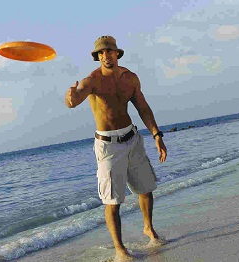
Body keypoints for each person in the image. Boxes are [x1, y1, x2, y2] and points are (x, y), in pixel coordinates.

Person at [65, 36, 167, 261]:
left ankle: (148, 228)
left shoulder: (130, 78)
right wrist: (70, 98)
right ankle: (120, 249)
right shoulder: (92, 79)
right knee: (113, 201)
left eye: (109, 51)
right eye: (100, 53)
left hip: (132, 138)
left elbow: (143, 107)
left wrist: (156, 135)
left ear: (117, 53)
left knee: (146, 189)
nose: (105, 56)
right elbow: (75, 98)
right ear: (97, 57)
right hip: (108, 146)